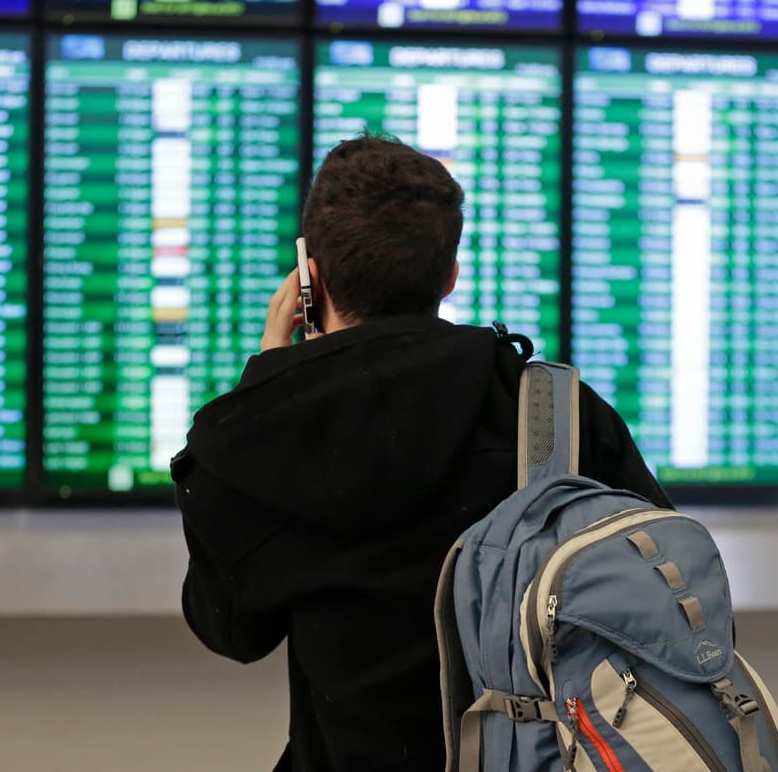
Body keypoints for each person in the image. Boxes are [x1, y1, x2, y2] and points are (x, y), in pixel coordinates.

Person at [171, 133, 670, 772]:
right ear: (451, 273)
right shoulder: (556, 413)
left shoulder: (250, 436)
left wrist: (273, 379)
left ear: (309, 277)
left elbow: (231, 631)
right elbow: (664, 597)